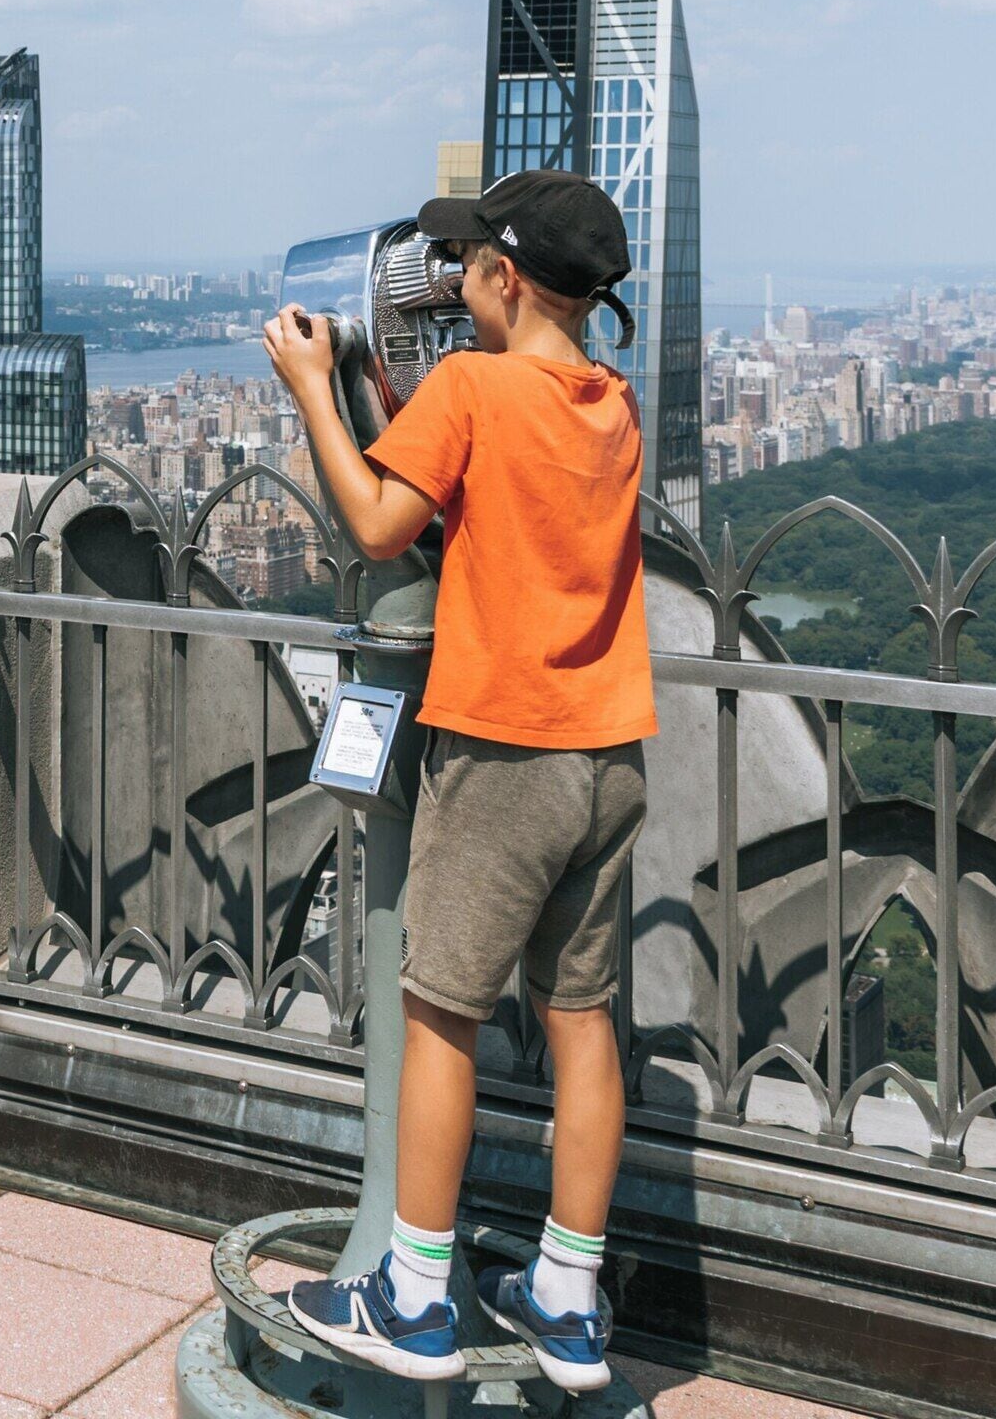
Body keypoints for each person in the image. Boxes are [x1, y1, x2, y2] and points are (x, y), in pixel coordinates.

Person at [262, 170, 654, 1393]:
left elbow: (381, 522)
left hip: (506, 755)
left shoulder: (474, 389)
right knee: (580, 1022)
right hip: (609, 755)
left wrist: (314, 389)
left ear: (499, 279)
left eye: (465, 265)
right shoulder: (612, 401)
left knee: (440, 1011)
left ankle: (412, 1297)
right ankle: (567, 1296)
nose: (449, 284)